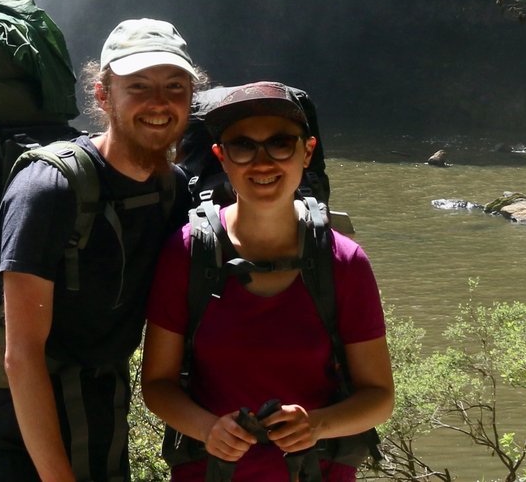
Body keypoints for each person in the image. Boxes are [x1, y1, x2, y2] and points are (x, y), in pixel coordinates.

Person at [0, 18, 204, 482]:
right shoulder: (49, 190)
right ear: (103, 95)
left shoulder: (174, 192)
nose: (160, 103)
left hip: (100, 432)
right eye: (139, 86)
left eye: (175, 86)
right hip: (9, 446)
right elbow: (21, 354)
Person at [141, 82, 394, 482]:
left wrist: (317, 425)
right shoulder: (188, 253)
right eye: (243, 146)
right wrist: (208, 428)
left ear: (306, 152)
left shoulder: (344, 262)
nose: (262, 162)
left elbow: (379, 397)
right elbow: (156, 384)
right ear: (221, 157)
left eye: (280, 143)